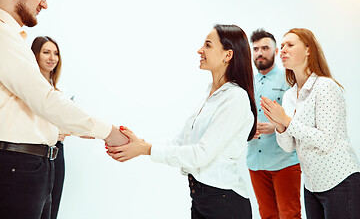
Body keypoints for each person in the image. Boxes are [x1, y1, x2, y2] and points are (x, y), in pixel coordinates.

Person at [0, 0, 128, 218]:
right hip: (17, 165)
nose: (45, 4)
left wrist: (81, 129)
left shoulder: (14, 38)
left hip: (34, 165)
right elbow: (44, 101)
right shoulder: (3, 36)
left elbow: (31, 107)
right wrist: (108, 131)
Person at [108, 24, 257, 219]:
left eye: (208, 45)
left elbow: (201, 154)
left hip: (224, 203)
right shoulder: (210, 94)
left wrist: (145, 149)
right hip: (201, 198)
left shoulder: (235, 98)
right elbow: (181, 142)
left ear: (227, 55)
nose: (200, 50)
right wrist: (141, 144)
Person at [260, 28, 360, 219]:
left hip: (340, 181)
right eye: (281, 46)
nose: (283, 50)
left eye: (290, 45)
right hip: (312, 186)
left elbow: (325, 140)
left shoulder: (325, 86)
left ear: (308, 50)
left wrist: (286, 121)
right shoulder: (289, 95)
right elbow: (289, 146)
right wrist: (281, 126)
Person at [247, 29, 301, 218]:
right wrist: (248, 129)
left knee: (289, 214)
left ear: (276, 51)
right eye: (255, 49)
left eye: (265, 48)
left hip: (284, 161)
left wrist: (276, 126)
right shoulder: (247, 83)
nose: (260, 52)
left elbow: (300, 117)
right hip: (255, 162)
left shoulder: (289, 79)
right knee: (267, 215)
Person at [31, 36, 68, 219]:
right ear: (35, 55)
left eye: (56, 53)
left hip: (57, 154)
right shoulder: (27, 87)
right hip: (35, 155)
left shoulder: (59, 92)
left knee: (52, 210)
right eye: (46, 52)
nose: (52, 57)